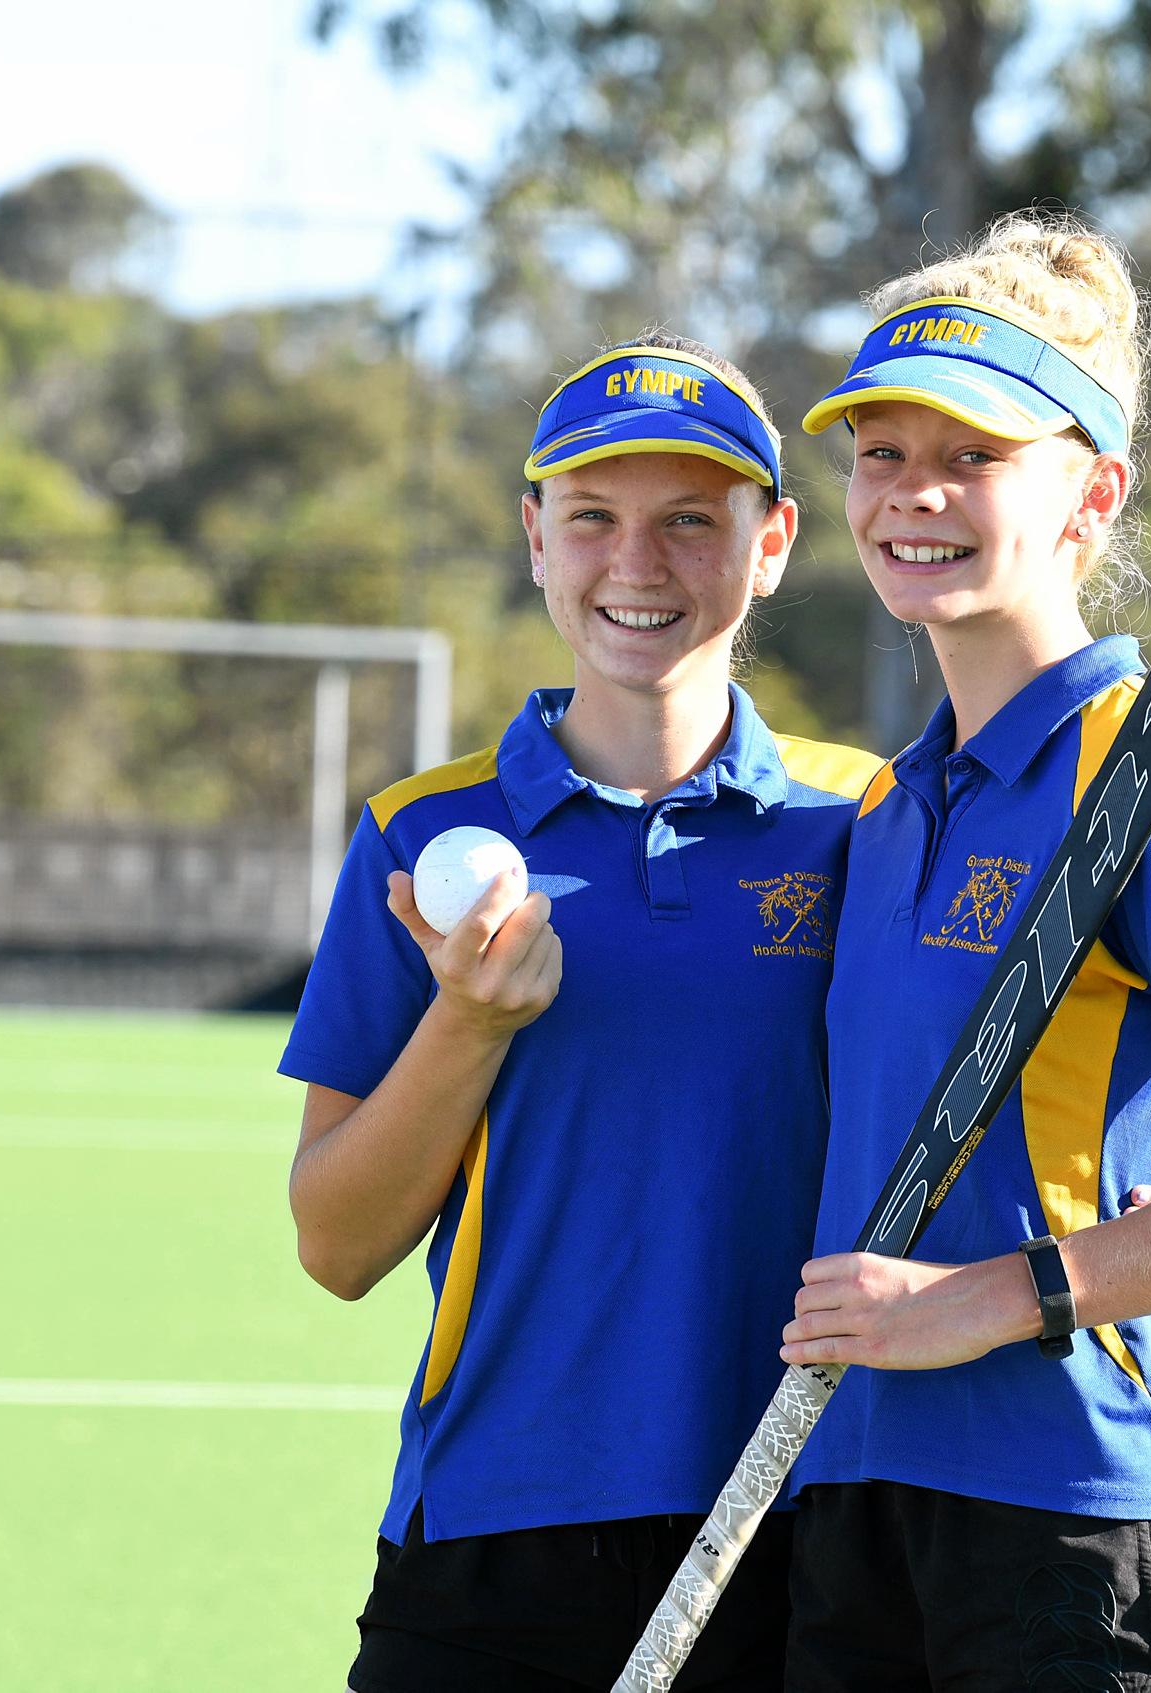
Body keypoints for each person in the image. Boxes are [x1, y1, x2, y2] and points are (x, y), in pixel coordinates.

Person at [774, 212, 1151, 1691]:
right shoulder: (887, 801)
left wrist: (988, 1294)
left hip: (1072, 1527)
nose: (913, 494)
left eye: (972, 457)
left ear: (1089, 494)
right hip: (851, 1497)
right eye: (881, 452)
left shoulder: (1138, 782)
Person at [281, 333, 885, 1691]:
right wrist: (467, 1023)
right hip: (494, 1532)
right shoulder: (414, 835)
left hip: (795, 1531)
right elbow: (335, 1242)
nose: (638, 564)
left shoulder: (866, 822)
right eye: (594, 518)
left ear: (772, 540)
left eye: (690, 521)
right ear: (533, 537)